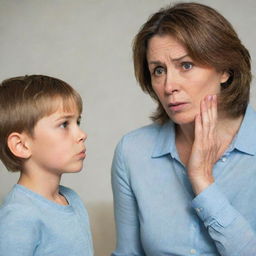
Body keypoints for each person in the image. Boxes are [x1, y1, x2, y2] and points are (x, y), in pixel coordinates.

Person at [111, 2, 256, 256]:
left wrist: (202, 180)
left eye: (186, 65)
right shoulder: (132, 152)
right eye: (158, 70)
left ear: (225, 70)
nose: (169, 86)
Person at [0, 75, 93, 256]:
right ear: (21, 145)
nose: (82, 134)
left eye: (78, 122)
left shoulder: (72, 198)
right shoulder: (18, 217)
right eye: (64, 124)